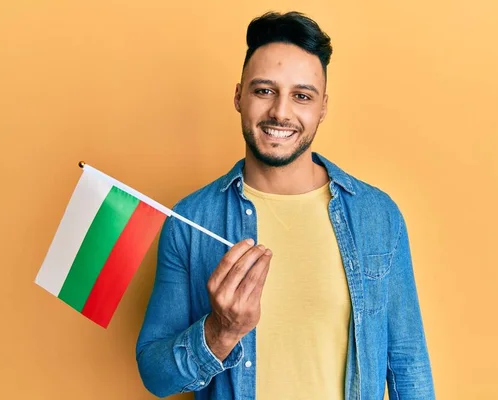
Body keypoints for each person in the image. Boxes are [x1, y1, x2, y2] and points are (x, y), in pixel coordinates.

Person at [136, 11, 435, 400]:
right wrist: (219, 332)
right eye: (264, 91)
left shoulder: (377, 215)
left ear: (322, 107)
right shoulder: (190, 221)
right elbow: (155, 375)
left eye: (302, 96)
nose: (280, 111)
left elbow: (409, 364)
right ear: (238, 96)